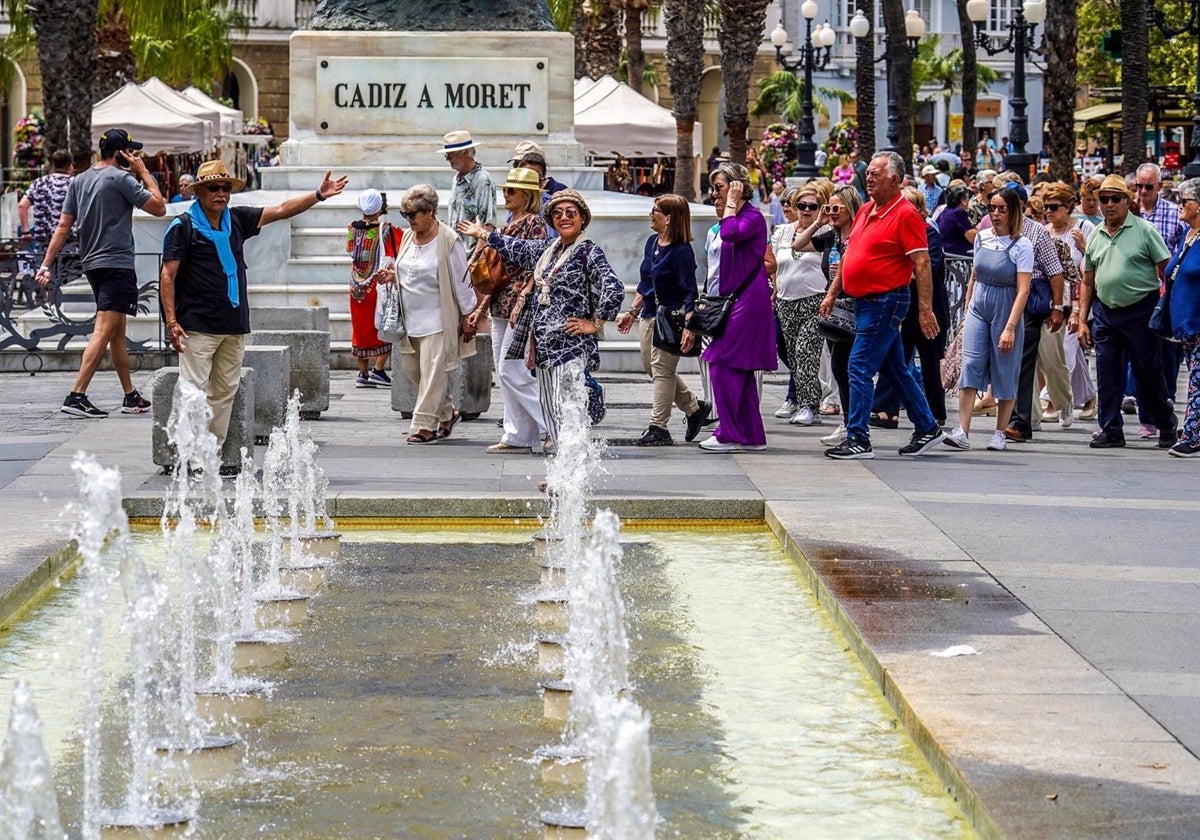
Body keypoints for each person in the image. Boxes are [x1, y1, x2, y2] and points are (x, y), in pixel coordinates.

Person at [160, 162, 348, 470]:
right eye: (213, 188)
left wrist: (318, 195)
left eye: (226, 188)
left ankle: (209, 455)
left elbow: (283, 209)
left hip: (233, 324)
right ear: (199, 192)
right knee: (193, 392)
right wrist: (171, 321)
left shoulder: (236, 219)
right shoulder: (183, 227)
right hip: (196, 324)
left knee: (223, 393)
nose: (221, 193)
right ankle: (190, 456)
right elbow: (168, 275)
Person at [459, 189, 624, 445]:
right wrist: (483, 234)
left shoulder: (588, 252)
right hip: (546, 346)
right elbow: (517, 247)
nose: (564, 218)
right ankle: (560, 473)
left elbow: (613, 287)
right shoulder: (549, 248)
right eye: (557, 213)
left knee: (568, 411)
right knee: (552, 412)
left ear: (582, 218)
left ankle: (572, 474)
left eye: (571, 213)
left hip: (570, 346)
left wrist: (595, 323)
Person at [819, 150, 946, 460]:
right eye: (870, 172)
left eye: (877, 173)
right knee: (897, 370)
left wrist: (925, 308)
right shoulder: (866, 210)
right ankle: (927, 427)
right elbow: (851, 254)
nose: (870, 177)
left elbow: (922, 262)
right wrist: (834, 291)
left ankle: (858, 437)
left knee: (859, 366)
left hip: (885, 301)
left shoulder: (905, 214)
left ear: (896, 179)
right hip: (865, 302)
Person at [35, 128, 167, 419]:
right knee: (104, 328)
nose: (135, 156)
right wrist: (144, 172)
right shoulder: (122, 179)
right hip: (116, 264)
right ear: (122, 154)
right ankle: (77, 395)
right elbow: (159, 207)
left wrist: (46, 264)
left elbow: (63, 227)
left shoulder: (79, 180)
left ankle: (131, 396)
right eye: (132, 152)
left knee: (117, 332)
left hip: (92, 264)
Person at [1077, 174, 1177, 449]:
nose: (1109, 205)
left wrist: (1167, 305)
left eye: (1115, 199)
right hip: (1106, 313)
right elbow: (1087, 281)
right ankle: (1110, 429)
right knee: (1108, 373)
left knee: (1148, 371)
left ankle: (1166, 424)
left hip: (1140, 310)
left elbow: (1166, 270)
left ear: (1127, 201)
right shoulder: (1096, 234)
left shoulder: (1144, 230)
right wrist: (1082, 319)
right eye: (1104, 199)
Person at [464, 167, 549, 454]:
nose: (506, 194)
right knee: (503, 370)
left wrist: (488, 237)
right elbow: (499, 275)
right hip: (501, 304)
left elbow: (535, 260)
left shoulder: (535, 224)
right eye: (505, 189)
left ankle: (551, 426)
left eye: (512, 190)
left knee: (512, 370)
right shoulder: (508, 223)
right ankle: (519, 434)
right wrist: (481, 307)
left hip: (520, 306)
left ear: (527, 196)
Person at [615, 194, 710, 446]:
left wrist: (691, 326)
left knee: (662, 370)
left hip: (671, 317)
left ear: (668, 219)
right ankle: (694, 408)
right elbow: (646, 284)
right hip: (648, 315)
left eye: (655, 210)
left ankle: (659, 427)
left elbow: (690, 290)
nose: (650, 214)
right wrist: (631, 312)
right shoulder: (652, 243)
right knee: (652, 367)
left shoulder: (681, 251)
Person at [386, 184, 478, 444]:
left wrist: (470, 316)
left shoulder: (449, 240)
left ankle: (423, 426)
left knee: (434, 373)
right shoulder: (406, 236)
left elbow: (462, 280)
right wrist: (391, 276)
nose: (409, 219)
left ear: (431, 211)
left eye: (413, 214)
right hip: (410, 318)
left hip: (439, 320)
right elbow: (407, 271)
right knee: (413, 371)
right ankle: (448, 413)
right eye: (405, 214)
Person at [943, 185, 1033, 451]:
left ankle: (1000, 432)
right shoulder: (982, 238)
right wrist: (967, 311)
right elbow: (973, 276)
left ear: (1013, 212)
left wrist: (1010, 327)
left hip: (1006, 306)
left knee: (1006, 367)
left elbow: (1023, 289)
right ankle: (963, 429)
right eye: (992, 208)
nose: (995, 214)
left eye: (1002, 209)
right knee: (970, 363)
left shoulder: (1022, 245)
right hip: (979, 306)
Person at [694, 163, 777, 452]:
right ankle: (752, 435)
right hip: (734, 299)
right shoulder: (740, 216)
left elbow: (730, 233)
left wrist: (730, 203)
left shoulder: (752, 217)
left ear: (737, 186)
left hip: (747, 300)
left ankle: (729, 432)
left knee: (720, 361)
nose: (714, 193)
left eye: (719, 186)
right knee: (738, 368)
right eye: (714, 187)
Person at [871, 187, 951, 431]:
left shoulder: (930, 235)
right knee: (893, 359)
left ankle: (935, 413)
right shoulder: (896, 234)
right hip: (902, 306)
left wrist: (899, 269)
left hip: (929, 308)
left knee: (929, 363)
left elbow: (926, 266)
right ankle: (886, 409)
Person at [774, 183, 831, 426]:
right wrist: (774, 291)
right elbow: (775, 264)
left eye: (812, 206)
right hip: (785, 301)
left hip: (814, 301)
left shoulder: (826, 232)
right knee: (794, 357)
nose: (806, 210)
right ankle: (801, 399)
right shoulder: (783, 231)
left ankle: (810, 406)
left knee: (805, 351)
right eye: (801, 205)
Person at [1041, 181, 1097, 424]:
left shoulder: (1084, 228)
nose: (1049, 212)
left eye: (1054, 206)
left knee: (1065, 351)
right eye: (1046, 207)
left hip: (1078, 301)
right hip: (1053, 302)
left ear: (1068, 207)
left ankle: (1052, 399)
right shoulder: (1044, 232)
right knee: (1065, 352)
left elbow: (1094, 265)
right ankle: (1088, 397)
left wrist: (1084, 248)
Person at [346, 188, 400, 388]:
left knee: (359, 329)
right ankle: (378, 369)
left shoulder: (351, 227)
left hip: (356, 286)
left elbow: (350, 250)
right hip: (377, 285)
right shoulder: (387, 229)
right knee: (384, 325)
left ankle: (363, 373)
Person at [1163, 177, 1200, 456]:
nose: (1179, 206)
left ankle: (1192, 435)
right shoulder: (1189, 236)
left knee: (1198, 380)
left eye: (1183, 200)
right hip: (1186, 325)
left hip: (1198, 321)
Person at [442, 130, 497, 251]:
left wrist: (475, 260)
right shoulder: (456, 179)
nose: (448, 160)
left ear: (465, 152)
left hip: (471, 256)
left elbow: (488, 225)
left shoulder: (483, 180)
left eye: (450, 155)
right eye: (446, 156)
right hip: (455, 252)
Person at [18, 148, 72, 250]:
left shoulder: (39, 183)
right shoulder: (75, 184)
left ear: (53, 165)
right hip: (70, 243)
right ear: (70, 166)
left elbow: (22, 206)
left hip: (44, 244)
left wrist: (26, 232)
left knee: (44, 265)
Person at [936, 185, 977, 257]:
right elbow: (972, 238)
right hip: (957, 257)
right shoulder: (958, 212)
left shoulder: (945, 211)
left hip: (946, 254)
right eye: (968, 198)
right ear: (963, 200)